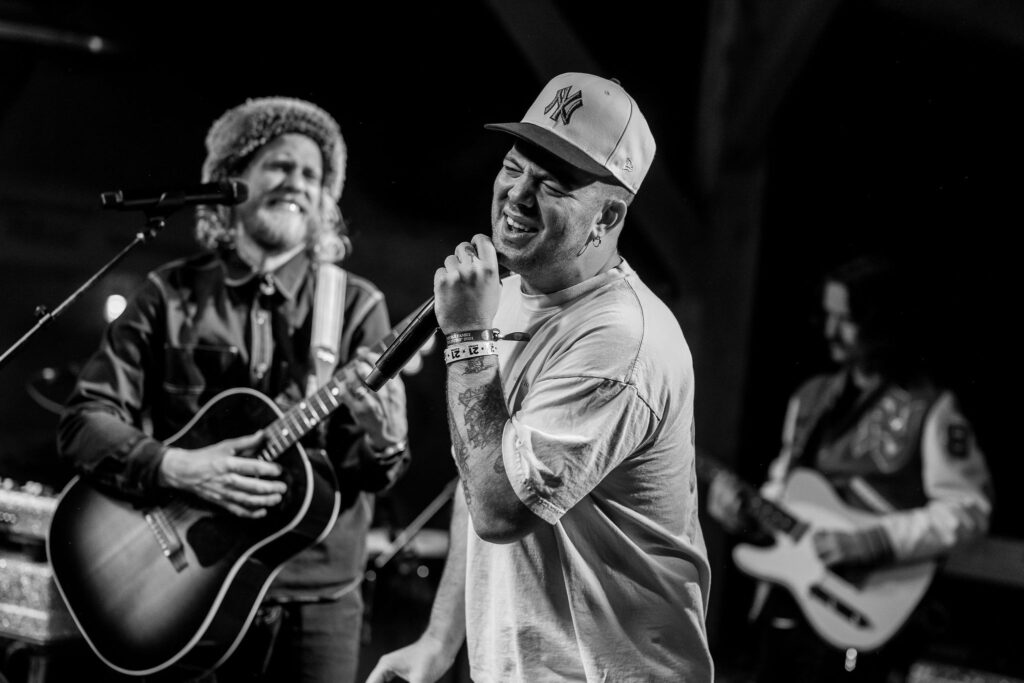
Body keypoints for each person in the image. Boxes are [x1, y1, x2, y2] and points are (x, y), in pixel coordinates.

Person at [367, 72, 714, 682]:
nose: (517, 196)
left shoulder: (619, 338)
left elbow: (501, 510)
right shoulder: (502, 298)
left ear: (607, 216)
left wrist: (468, 340)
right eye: (512, 167)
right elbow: (477, 479)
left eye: (551, 184)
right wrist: (438, 641)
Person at [56, 96, 410, 682]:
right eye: (280, 165)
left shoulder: (355, 305)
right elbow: (83, 420)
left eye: (313, 175)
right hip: (175, 591)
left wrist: (383, 443)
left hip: (315, 602)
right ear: (231, 178)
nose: (297, 182)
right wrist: (173, 467)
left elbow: (368, 468)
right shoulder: (169, 295)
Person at [706, 255, 993, 682]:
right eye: (829, 316)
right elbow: (783, 490)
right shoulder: (811, 398)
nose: (830, 332)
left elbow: (968, 509)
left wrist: (874, 541)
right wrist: (745, 512)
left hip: (864, 613)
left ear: (882, 321)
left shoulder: (930, 408)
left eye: (848, 320)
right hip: (786, 606)